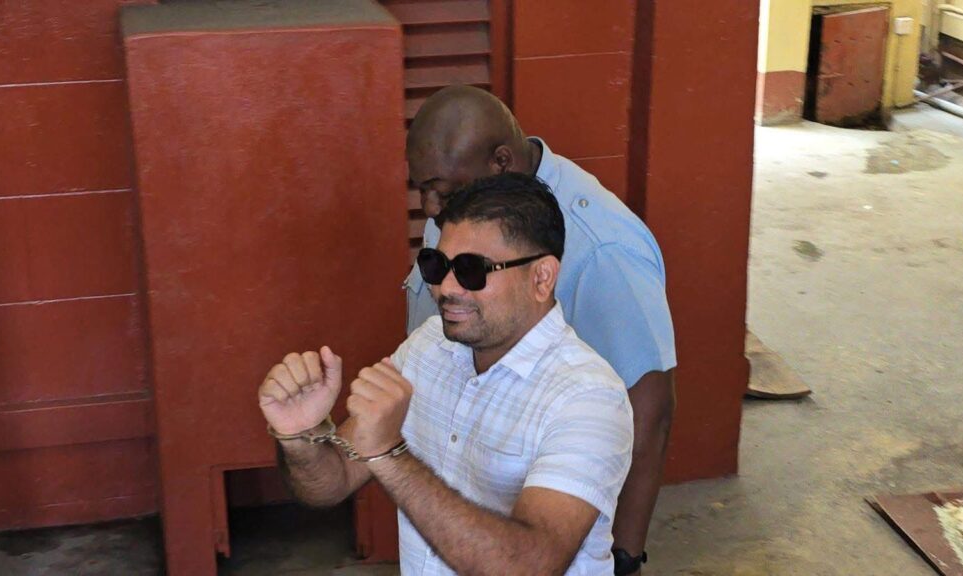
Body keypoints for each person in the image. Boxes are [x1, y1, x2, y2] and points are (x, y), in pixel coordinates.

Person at [259, 174, 634, 575]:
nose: (446, 288)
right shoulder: (430, 345)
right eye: (436, 265)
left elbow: (531, 565)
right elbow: (331, 483)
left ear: (541, 277)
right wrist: (300, 436)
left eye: (472, 269)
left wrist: (390, 454)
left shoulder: (589, 397)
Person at [404, 85, 676, 575]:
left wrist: (625, 557)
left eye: (441, 190)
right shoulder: (459, 209)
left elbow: (650, 406)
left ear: (501, 162)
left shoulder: (602, 250)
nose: (429, 207)